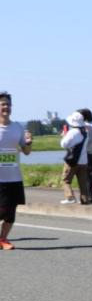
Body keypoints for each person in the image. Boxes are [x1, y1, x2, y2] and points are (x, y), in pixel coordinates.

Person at [0, 91, 34, 250]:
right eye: (2, 104)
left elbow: (26, 151)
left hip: (13, 177)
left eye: (8, 104)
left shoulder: (17, 127)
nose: (6, 107)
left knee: (10, 212)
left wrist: (28, 142)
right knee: (2, 209)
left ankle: (3, 239)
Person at [59, 111, 92, 205]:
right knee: (83, 182)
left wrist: (63, 136)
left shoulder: (72, 132)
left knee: (66, 180)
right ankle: (85, 199)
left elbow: (63, 144)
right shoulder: (85, 132)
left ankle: (70, 197)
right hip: (83, 161)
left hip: (72, 160)